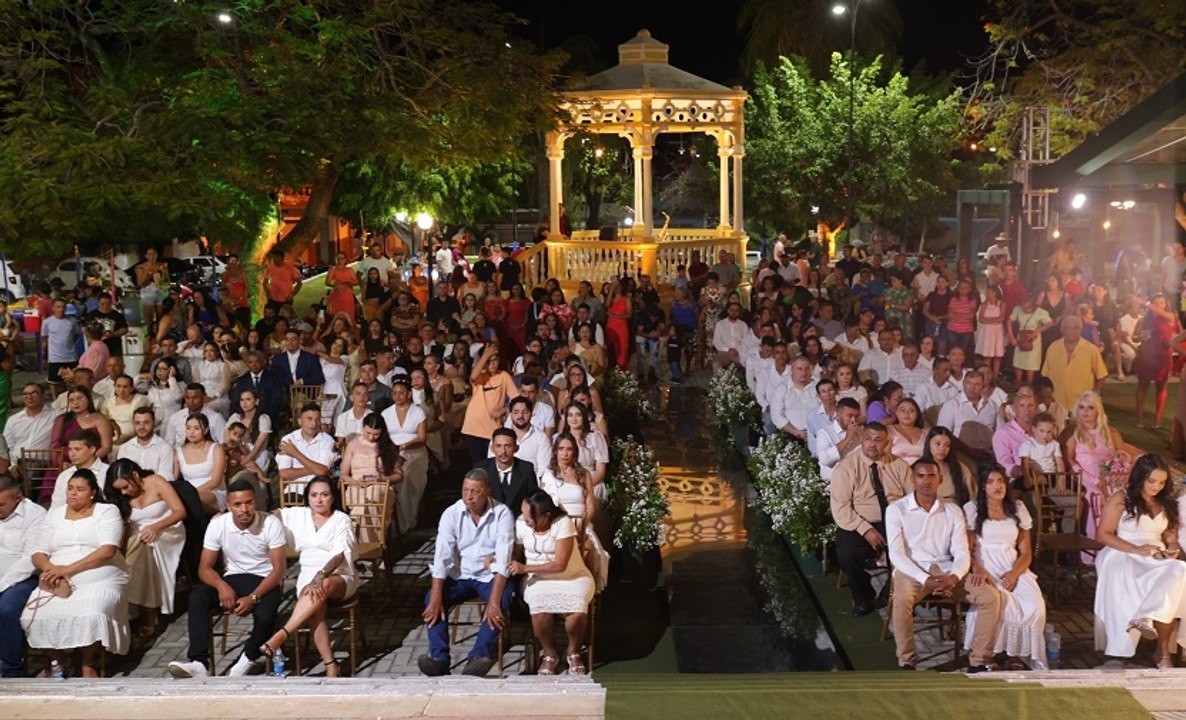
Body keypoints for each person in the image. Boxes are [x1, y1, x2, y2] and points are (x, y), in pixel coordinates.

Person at [886, 459, 999, 672]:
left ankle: (978, 661)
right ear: (913, 479)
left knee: (991, 597)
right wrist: (925, 579)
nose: (926, 481)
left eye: (931, 476)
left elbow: (961, 551)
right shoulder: (896, 510)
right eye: (921, 476)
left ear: (940, 479)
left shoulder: (953, 510)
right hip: (913, 570)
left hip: (946, 569)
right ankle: (907, 661)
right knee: (901, 598)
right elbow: (897, 555)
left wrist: (954, 577)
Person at [168, 479, 286, 678]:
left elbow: (279, 570)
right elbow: (204, 569)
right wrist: (221, 585)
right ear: (228, 506)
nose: (244, 509)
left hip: (264, 579)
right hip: (233, 577)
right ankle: (199, 662)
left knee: (266, 614)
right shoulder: (218, 525)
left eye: (249, 502)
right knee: (197, 598)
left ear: (255, 502)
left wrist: (253, 598)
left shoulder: (270, 523)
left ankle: (246, 659)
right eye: (238, 504)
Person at [22, 469, 129, 677]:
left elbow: (108, 550)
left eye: (80, 490)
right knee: (31, 616)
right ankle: (60, 660)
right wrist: (51, 569)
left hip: (99, 569)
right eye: (70, 488)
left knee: (93, 612)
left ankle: (88, 661)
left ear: (92, 492)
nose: (72, 493)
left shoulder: (106, 511)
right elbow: (37, 552)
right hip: (56, 572)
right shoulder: (54, 515)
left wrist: (68, 570)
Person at [418, 468, 515, 678]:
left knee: (502, 600)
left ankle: (478, 657)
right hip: (459, 575)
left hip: (489, 575)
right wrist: (435, 598)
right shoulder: (451, 514)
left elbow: (504, 558)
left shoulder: (502, 514)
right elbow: (442, 558)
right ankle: (439, 659)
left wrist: (494, 600)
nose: (468, 496)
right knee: (432, 600)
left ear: (487, 491)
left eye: (474, 492)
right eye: (465, 490)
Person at [1094, 454, 1186, 668]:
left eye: (1162, 482)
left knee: (1179, 569)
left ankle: (1158, 644)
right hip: (1122, 551)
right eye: (1152, 481)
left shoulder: (1167, 502)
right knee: (1126, 571)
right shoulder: (1121, 497)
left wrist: (1171, 551)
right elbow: (1104, 534)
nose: (1156, 487)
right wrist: (1137, 549)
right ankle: (1129, 642)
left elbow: (1171, 538)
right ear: (1140, 478)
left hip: (1154, 553)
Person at [260, 476, 357, 677]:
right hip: (307, 575)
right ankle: (331, 665)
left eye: (324, 494)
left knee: (323, 586)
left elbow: (340, 555)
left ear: (333, 497)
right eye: (314, 495)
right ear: (308, 498)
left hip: (339, 576)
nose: (319, 500)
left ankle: (281, 635)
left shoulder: (341, 519)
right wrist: (226, 517)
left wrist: (320, 576)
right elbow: (268, 517)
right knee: (314, 606)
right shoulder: (298, 516)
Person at [963, 463, 1047, 670]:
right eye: (990, 482)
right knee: (997, 603)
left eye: (1000, 480)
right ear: (983, 486)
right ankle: (989, 654)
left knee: (1034, 605)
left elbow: (1026, 552)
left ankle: (1016, 654)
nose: (997, 486)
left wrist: (1014, 573)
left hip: (1012, 566)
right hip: (985, 566)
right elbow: (967, 549)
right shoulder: (972, 509)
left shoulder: (1017, 508)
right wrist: (979, 570)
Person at [829, 423, 914, 616]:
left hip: (895, 521)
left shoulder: (899, 466)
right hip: (860, 521)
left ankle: (890, 594)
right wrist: (865, 529)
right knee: (847, 554)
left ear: (887, 443)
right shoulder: (847, 468)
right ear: (861, 439)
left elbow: (912, 500)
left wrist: (903, 525)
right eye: (868, 438)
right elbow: (840, 507)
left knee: (915, 549)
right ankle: (863, 598)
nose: (872, 444)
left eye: (878, 440)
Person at [508, 490, 595, 675]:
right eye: (523, 514)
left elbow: (560, 565)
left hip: (572, 576)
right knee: (539, 607)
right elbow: (516, 554)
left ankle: (573, 651)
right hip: (537, 579)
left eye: (529, 516)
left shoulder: (562, 523)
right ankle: (549, 652)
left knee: (577, 609)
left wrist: (525, 568)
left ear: (546, 516)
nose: (525, 520)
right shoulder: (520, 524)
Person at [104, 459, 187, 637]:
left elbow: (180, 511)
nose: (124, 492)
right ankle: (144, 609)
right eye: (120, 490)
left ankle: (145, 612)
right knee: (136, 551)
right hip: (138, 535)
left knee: (144, 546)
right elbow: (125, 527)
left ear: (135, 475)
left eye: (126, 487)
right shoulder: (121, 498)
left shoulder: (156, 481)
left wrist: (157, 527)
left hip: (167, 529)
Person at [0, 473, 47, 677]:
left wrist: (2, 583)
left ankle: (12, 669)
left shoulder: (34, 515)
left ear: (17, 498)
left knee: (7, 609)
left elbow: (30, 559)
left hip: (22, 579)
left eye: (1, 504)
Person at [1067, 391, 1124, 554]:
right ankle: (1094, 549)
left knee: (1117, 498)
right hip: (1085, 477)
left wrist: (1118, 458)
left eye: (1090, 408)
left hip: (1108, 478)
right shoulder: (1074, 433)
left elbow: (1122, 457)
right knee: (1096, 496)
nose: (1085, 412)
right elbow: (1070, 460)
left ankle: (1116, 547)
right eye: (1081, 407)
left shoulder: (1109, 432)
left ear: (1098, 411)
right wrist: (1088, 478)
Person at [381, 378, 428, 533]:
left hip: (414, 454)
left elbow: (422, 438)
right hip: (392, 455)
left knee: (407, 481)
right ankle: (394, 527)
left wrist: (404, 446)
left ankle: (409, 521)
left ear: (408, 394)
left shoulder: (418, 412)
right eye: (394, 393)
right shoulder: (386, 413)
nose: (398, 396)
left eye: (401, 393)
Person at [460, 344, 518, 464]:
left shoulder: (504, 376)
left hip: (492, 429)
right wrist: (486, 355)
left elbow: (516, 399)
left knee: (492, 465)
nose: (492, 364)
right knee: (478, 466)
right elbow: (473, 376)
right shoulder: (481, 374)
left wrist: (504, 410)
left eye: (495, 360)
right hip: (473, 428)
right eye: (488, 361)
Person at [1133, 294, 1180, 429]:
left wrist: (1145, 302)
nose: (1159, 306)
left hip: (1163, 357)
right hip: (1146, 356)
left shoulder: (1170, 317)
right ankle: (1140, 417)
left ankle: (1157, 418)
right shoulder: (1144, 320)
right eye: (1156, 303)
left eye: (1162, 303)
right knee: (1142, 385)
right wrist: (1138, 337)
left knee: (1161, 386)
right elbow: (1135, 337)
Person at [277, 402, 337, 500]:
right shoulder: (288, 440)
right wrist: (315, 469)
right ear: (300, 421)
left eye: (317, 419)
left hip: (320, 491)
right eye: (309, 419)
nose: (314, 423)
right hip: (295, 490)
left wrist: (295, 453)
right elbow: (284, 473)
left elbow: (321, 471)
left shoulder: (328, 440)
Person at [478, 427, 539, 519]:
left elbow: (533, 499)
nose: (503, 451)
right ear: (492, 448)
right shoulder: (482, 469)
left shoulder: (526, 469)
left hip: (519, 521)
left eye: (508, 446)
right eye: (498, 446)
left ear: (516, 448)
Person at [175, 413, 227, 515]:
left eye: (196, 428)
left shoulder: (216, 448)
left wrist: (191, 493)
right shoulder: (179, 451)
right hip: (188, 494)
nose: (191, 432)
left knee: (192, 500)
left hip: (212, 492)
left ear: (206, 430)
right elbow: (173, 478)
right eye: (188, 428)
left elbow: (215, 481)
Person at [50, 429, 110, 510]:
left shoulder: (108, 472)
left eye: (77, 449)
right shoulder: (64, 476)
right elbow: (55, 508)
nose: (72, 454)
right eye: (70, 449)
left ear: (92, 449)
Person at [921, 426, 976, 506]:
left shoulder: (960, 467)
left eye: (947, 445)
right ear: (929, 444)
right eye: (938, 444)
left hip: (955, 511)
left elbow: (973, 497)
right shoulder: (919, 468)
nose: (942, 448)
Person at [117, 407, 175, 481]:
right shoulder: (125, 448)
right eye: (137, 423)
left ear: (154, 423)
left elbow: (166, 476)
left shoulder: (164, 447)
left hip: (156, 489)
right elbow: (121, 475)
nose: (141, 427)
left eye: (146, 423)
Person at [162, 384, 227, 446]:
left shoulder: (216, 418)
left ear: (204, 398)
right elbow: (169, 443)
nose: (191, 401)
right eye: (187, 398)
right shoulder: (175, 417)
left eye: (195, 398)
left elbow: (224, 443)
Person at [41, 298, 79, 395]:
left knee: (74, 380)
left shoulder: (72, 321)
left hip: (70, 357)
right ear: (53, 308)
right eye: (58, 307)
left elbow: (76, 335)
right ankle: (55, 401)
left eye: (63, 307)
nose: (61, 309)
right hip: (55, 358)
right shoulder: (47, 322)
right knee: (54, 381)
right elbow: (44, 338)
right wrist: (45, 354)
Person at [887, 398, 927, 464]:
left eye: (911, 411)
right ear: (896, 412)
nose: (907, 414)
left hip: (922, 471)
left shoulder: (926, 433)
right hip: (896, 471)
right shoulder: (888, 431)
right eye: (903, 410)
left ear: (917, 414)